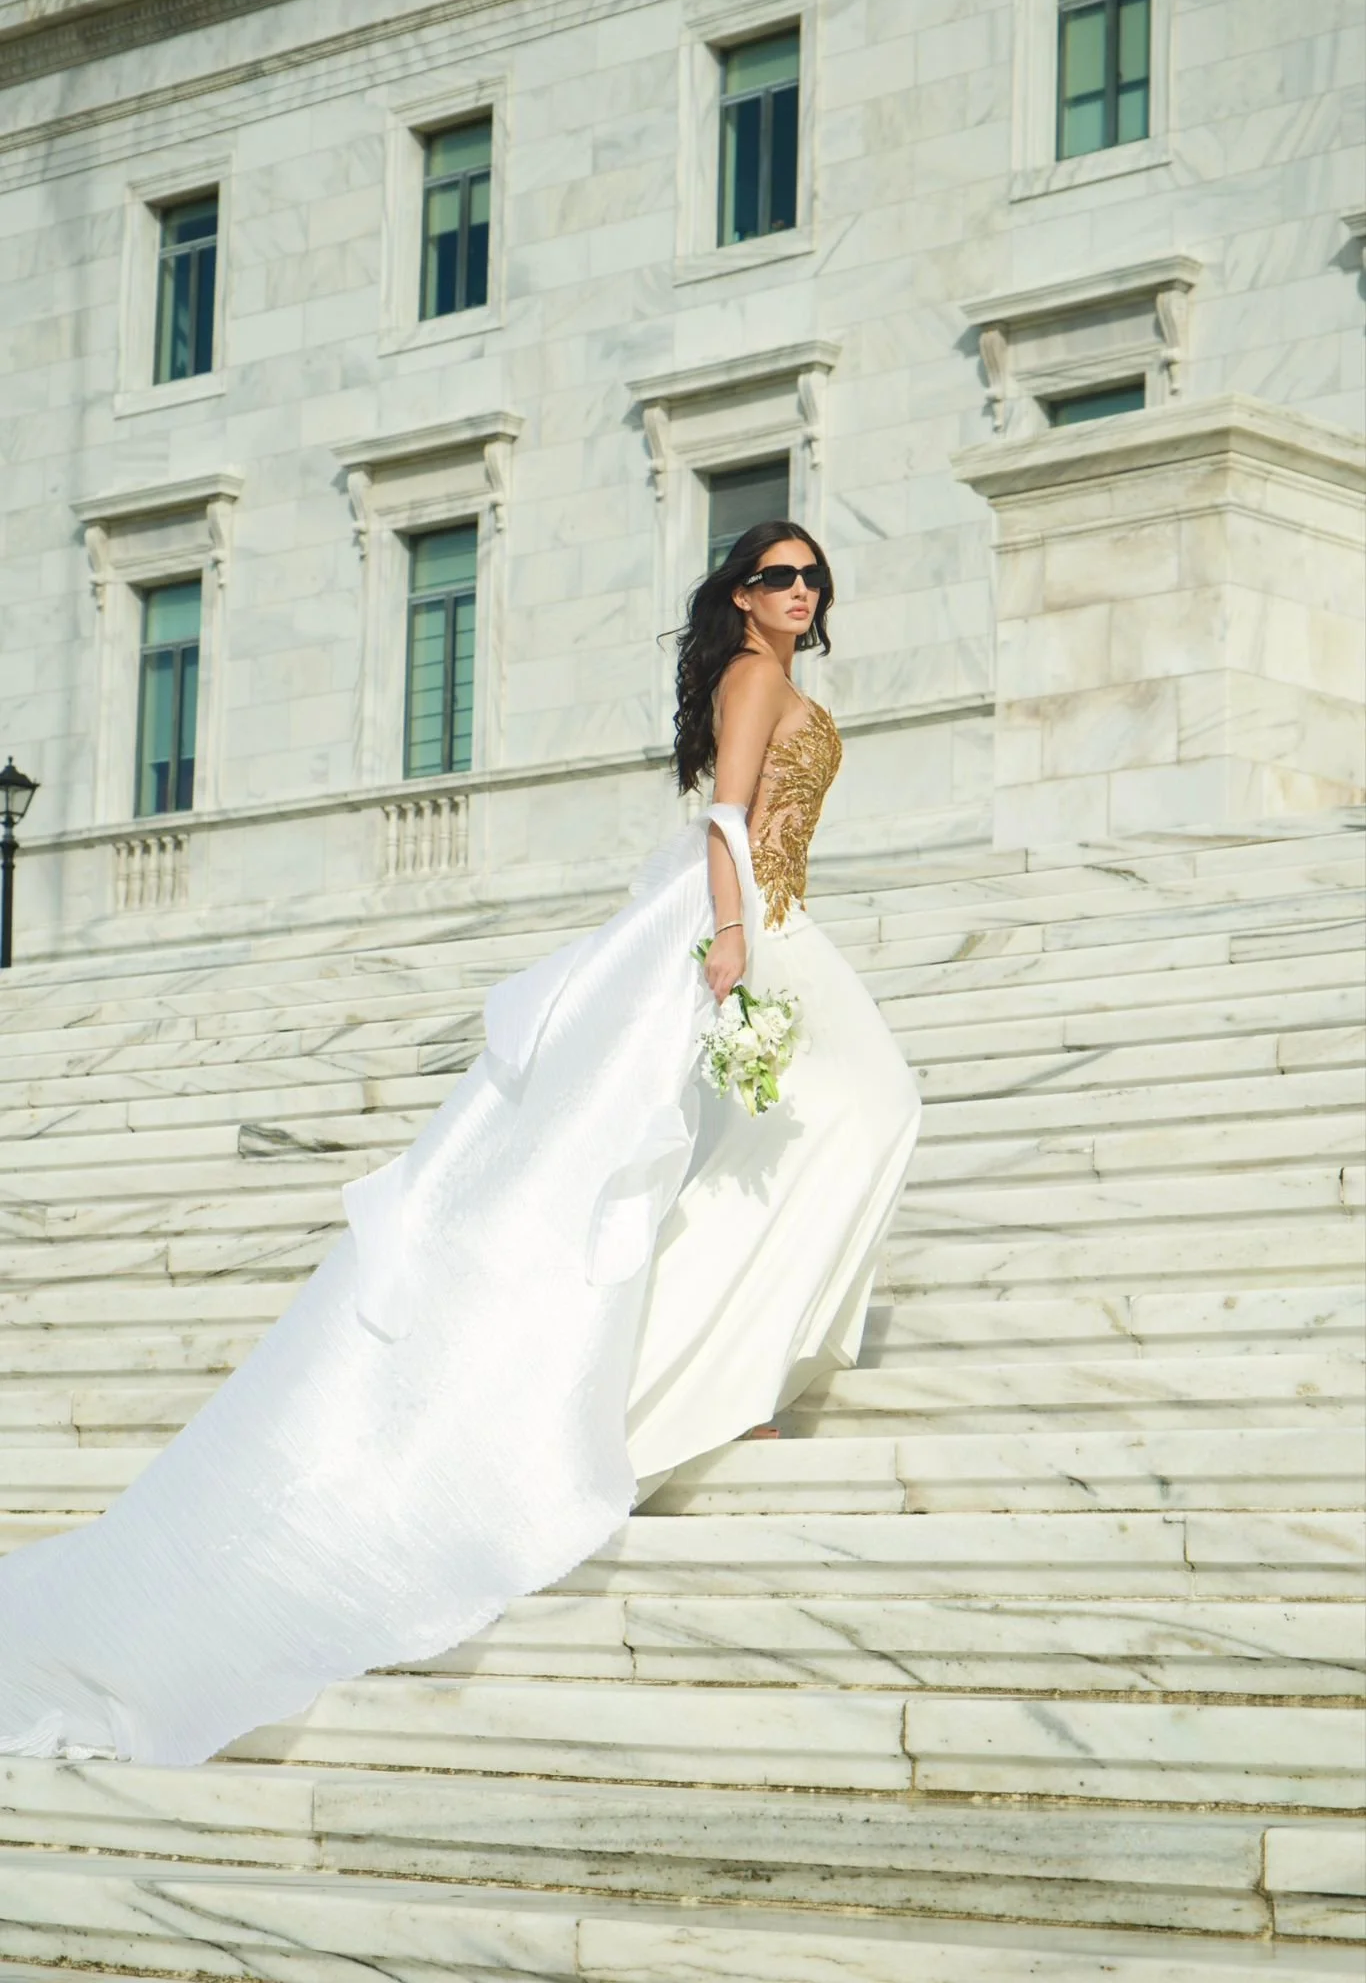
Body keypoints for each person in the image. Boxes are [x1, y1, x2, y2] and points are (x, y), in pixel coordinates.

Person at [0, 521, 920, 1768]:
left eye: (812, 576)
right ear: (739, 597)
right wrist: (728, 942)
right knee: (863, 1105)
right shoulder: (753, 679)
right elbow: (726, 818)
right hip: (752, 928)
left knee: (825, 1119)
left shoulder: (786, 676)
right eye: (776, 576)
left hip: (785, 922)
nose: (799, 593)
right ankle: (708, 1374)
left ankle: (726, 1361)